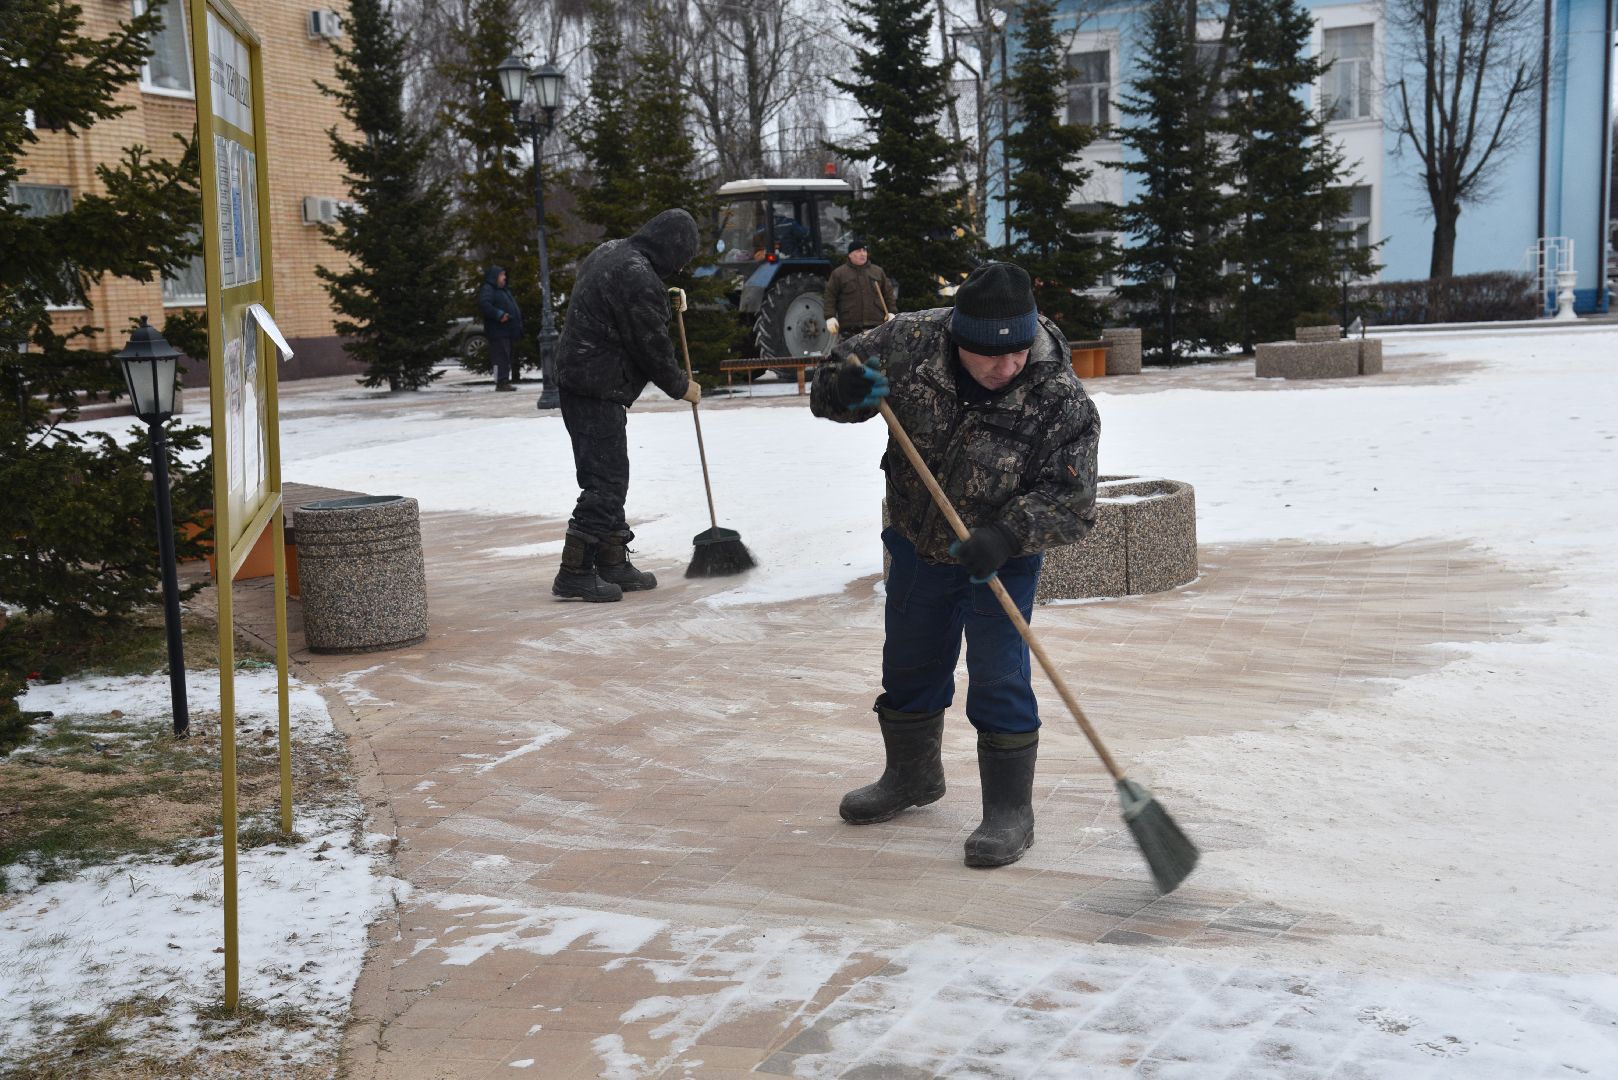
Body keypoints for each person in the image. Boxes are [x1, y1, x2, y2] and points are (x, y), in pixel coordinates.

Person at [809, 261, 1100, 868]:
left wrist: (1006, 534)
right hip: (918, 540)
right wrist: (838, 392)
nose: (1006, 367)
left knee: (998, 674)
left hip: (1000, 557)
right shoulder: (909, 341)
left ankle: (1008, 812)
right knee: (910, 661)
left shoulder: (1060, 397)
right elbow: (836, 375)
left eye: (1017, 352)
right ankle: (912, 777)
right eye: (989, 356)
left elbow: (1071, 500)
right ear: (957, 338)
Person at [551, 209, 703, 602]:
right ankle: (575, 570)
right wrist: (681, 385)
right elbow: (651, 346)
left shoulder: (613, 251)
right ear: (671, 248)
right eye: (682, 259)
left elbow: (622, 306)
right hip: (594, 384)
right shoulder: (638, 278)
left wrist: (664, 299)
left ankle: (613, 560)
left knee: (609, 473)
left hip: (585, 378)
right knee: (606, 480)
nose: (681, 267)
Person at [822, 240, 897, 342]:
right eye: (858, 251)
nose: (862, 254)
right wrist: (830, 317)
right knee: (849, 357)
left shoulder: (877, 272)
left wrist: (892, 312)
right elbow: (830, 296)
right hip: (849, 328)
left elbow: (888, 294)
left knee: (876, 357)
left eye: (864, 250)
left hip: (876, 325)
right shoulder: (839, 274)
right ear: (850, 255)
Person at [477, 265, 523, 391]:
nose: (504, 277)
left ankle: (504, 380)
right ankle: (501, 382)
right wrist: (499, 315)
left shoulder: (502, 290)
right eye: (502, 275)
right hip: (497, 331)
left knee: (505, 356)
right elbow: (484, 304)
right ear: (495, 277)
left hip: (506, 331)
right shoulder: (489, 289)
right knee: (500, 357)